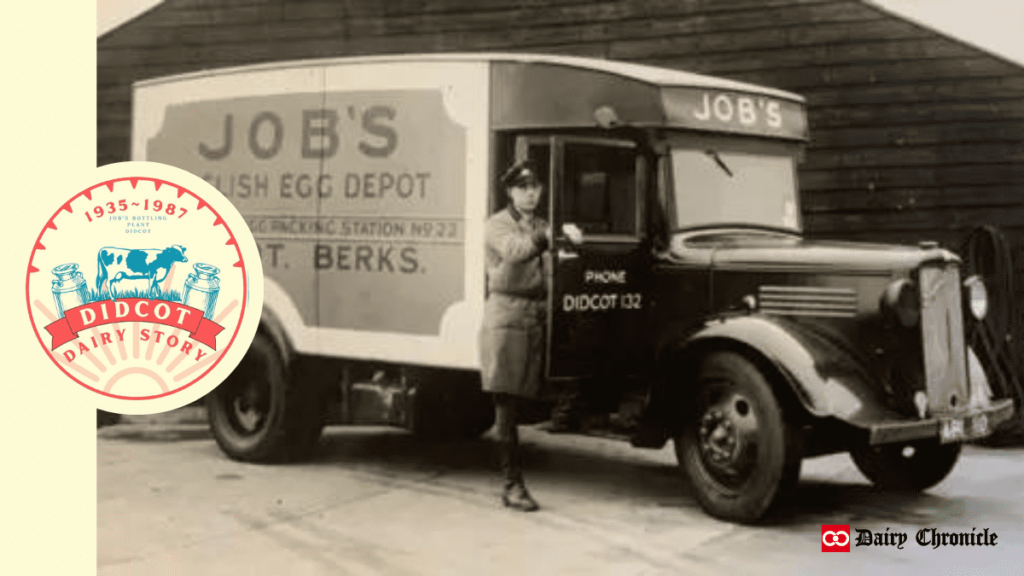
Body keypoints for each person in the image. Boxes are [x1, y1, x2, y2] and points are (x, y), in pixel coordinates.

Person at [478, 159, 551, 512]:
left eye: (535, 187)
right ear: (510, 191)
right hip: (507, 317)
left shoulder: (539, 224)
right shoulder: (497, 224)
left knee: (522, 402)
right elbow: (516, 252)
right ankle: (512, 485)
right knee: (506, 404)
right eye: (523, 187)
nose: (531, 193)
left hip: (533, 316)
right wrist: (546, 237)